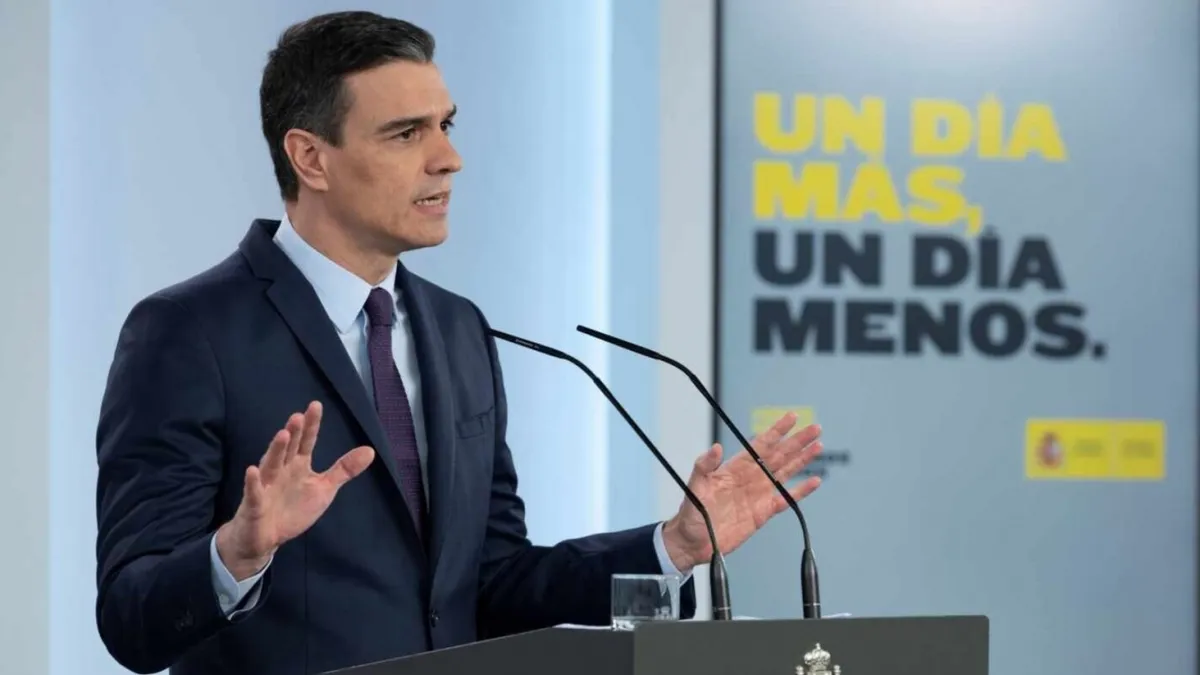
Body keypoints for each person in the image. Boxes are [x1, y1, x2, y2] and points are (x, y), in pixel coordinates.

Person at [93, 10, 824, 675]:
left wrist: (673, 546)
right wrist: (235, 556)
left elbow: (493, 583)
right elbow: (131, 619)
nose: (448, 158)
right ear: (311, 158)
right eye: (406, 133)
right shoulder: (188, 333)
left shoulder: (458, 328)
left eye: (446, 125)